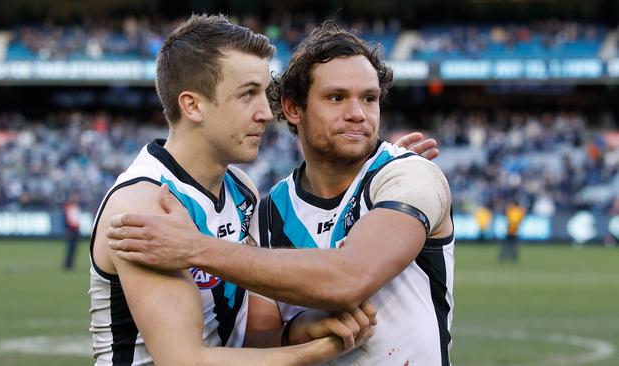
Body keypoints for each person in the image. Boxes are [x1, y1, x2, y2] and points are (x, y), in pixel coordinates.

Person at [108, 21, 454, 365]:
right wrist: (306, 329)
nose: (357, 115)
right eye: (336, 98)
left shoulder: (409, 176)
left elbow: (350, 277)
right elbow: (257, 342)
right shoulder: (268, 211)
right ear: (293, 108)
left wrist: (195, 248)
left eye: (369, 99)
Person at [499, 197, 526, 263]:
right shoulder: (519, 211)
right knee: (513, 246)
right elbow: (520, 220)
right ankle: (513, 258)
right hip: (514, 231)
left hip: (510, 230)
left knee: (507, 246)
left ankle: (503, 257)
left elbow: (509, 218)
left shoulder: (511, 210)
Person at [63, 192, 81, 270]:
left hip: (76, 229)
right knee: (70, 247)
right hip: (71, 229)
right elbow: (67, 219)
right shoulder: (68, 207)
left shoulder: (76, 207)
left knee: (74, 248)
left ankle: (70, 263)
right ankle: (68, 263)